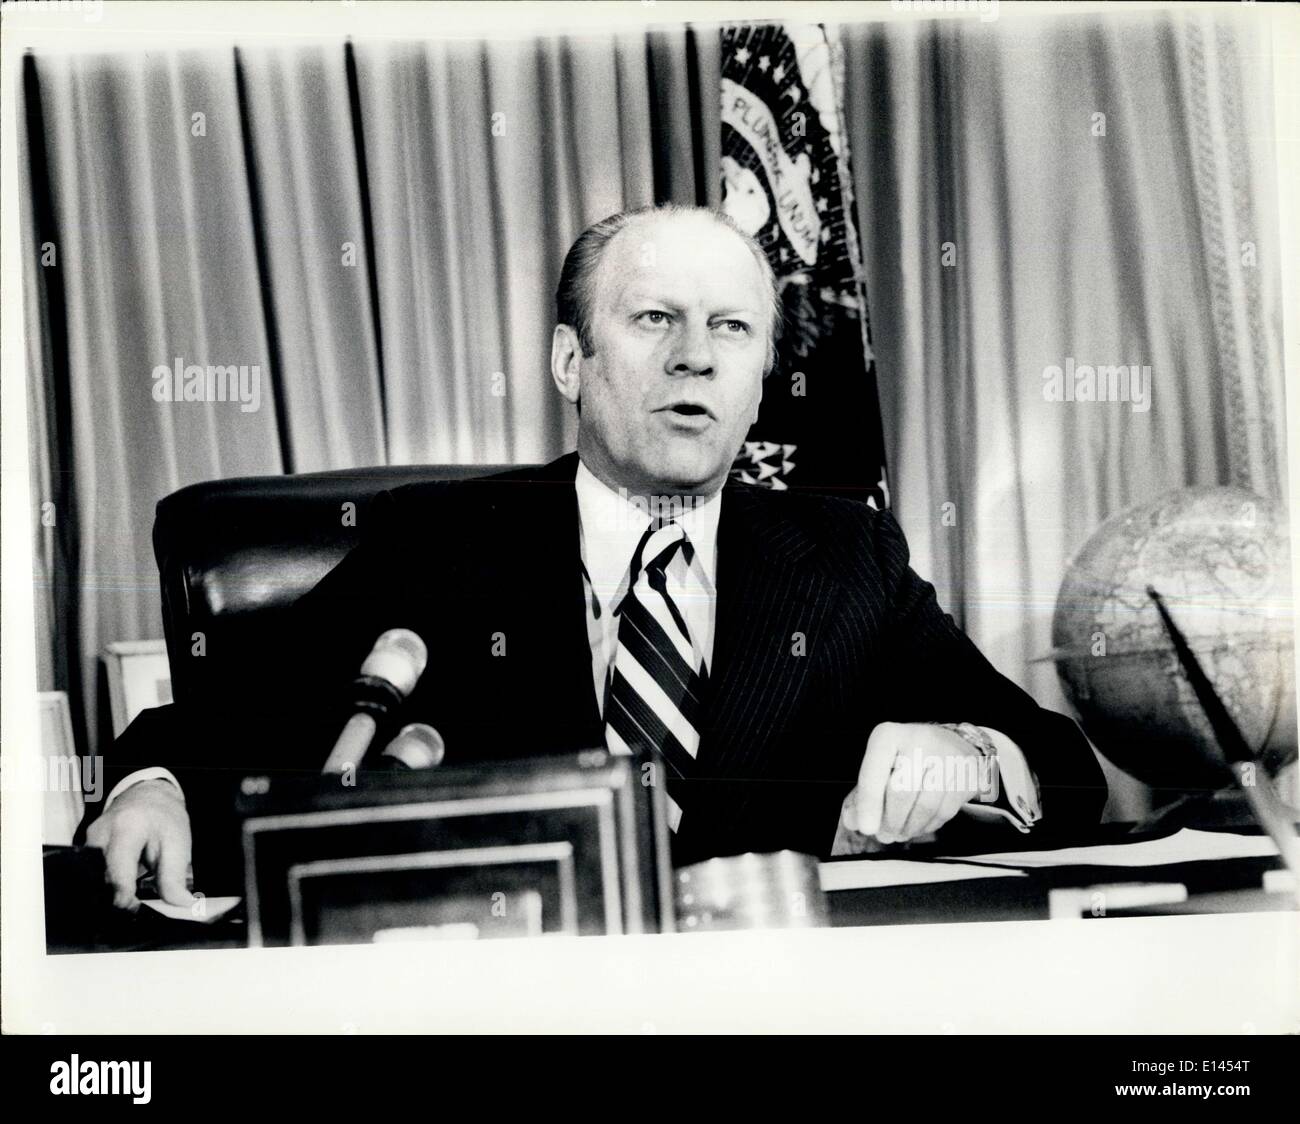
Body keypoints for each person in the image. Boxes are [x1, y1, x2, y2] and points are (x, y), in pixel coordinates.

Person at [79, 204, 1107, 911]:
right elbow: (204, 732)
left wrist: (970, 754)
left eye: (731, 328)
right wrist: (154, 789)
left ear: (757, 379)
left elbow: (1061, 767)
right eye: (654, 318)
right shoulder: (441, 540)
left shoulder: (843, 552)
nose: (694, 354)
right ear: (572, 361)